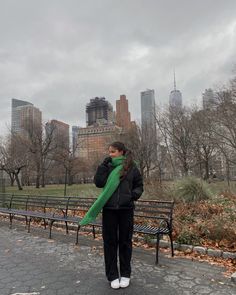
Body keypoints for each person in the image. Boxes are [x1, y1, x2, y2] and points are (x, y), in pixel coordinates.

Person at [94, 141, 143, 289]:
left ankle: (126, 274)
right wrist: (103, 166)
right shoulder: (108, 167)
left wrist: (131, 196)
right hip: (109, 210)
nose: (110, 154)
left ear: (121, 152)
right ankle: (112, 275)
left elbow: (139, 186)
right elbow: (98, 183)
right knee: (109, 243)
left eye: (113, 152)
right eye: (109, 152)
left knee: (125, 242)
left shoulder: (132, 167)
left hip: (126, 210)